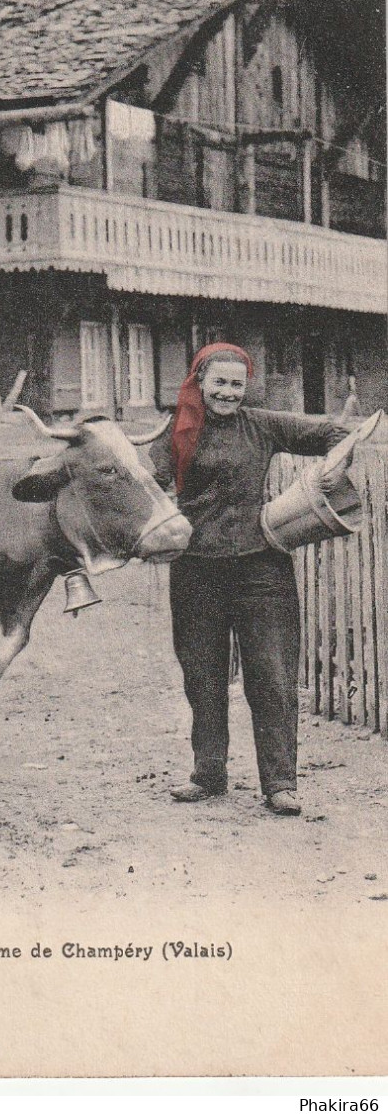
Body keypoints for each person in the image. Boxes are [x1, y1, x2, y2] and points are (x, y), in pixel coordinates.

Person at [149, 342, 349, 815]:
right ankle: (208, 773)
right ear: (201, 382)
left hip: (262, 566)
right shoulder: (176, 431)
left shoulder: (261, 425)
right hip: (195, 567)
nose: (229, 393)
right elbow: (147, 484)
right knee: (203, 676)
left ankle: (280, 783)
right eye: (219, 383)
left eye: (237, 384)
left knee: (273, 677)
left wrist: (335, 460)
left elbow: (330, 433)